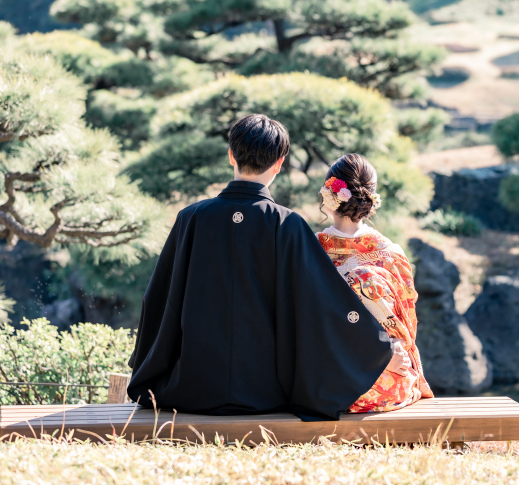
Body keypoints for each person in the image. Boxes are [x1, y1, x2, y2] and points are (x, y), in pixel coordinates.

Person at [127, 114, 396, 421]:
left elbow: (160, 299)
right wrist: (374, 345)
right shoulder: (287, 224)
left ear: (231, 155)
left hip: (191, 387)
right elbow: (324, 304)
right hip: (265, 393)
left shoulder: (192, 218)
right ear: (279, 164)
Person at [316, 154, 433, 413]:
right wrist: (387, 352)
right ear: (369, 200)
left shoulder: (311, 252)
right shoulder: (392, 254)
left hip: (330, 383)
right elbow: (407, 322)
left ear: (328, 196)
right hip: (390, 385)